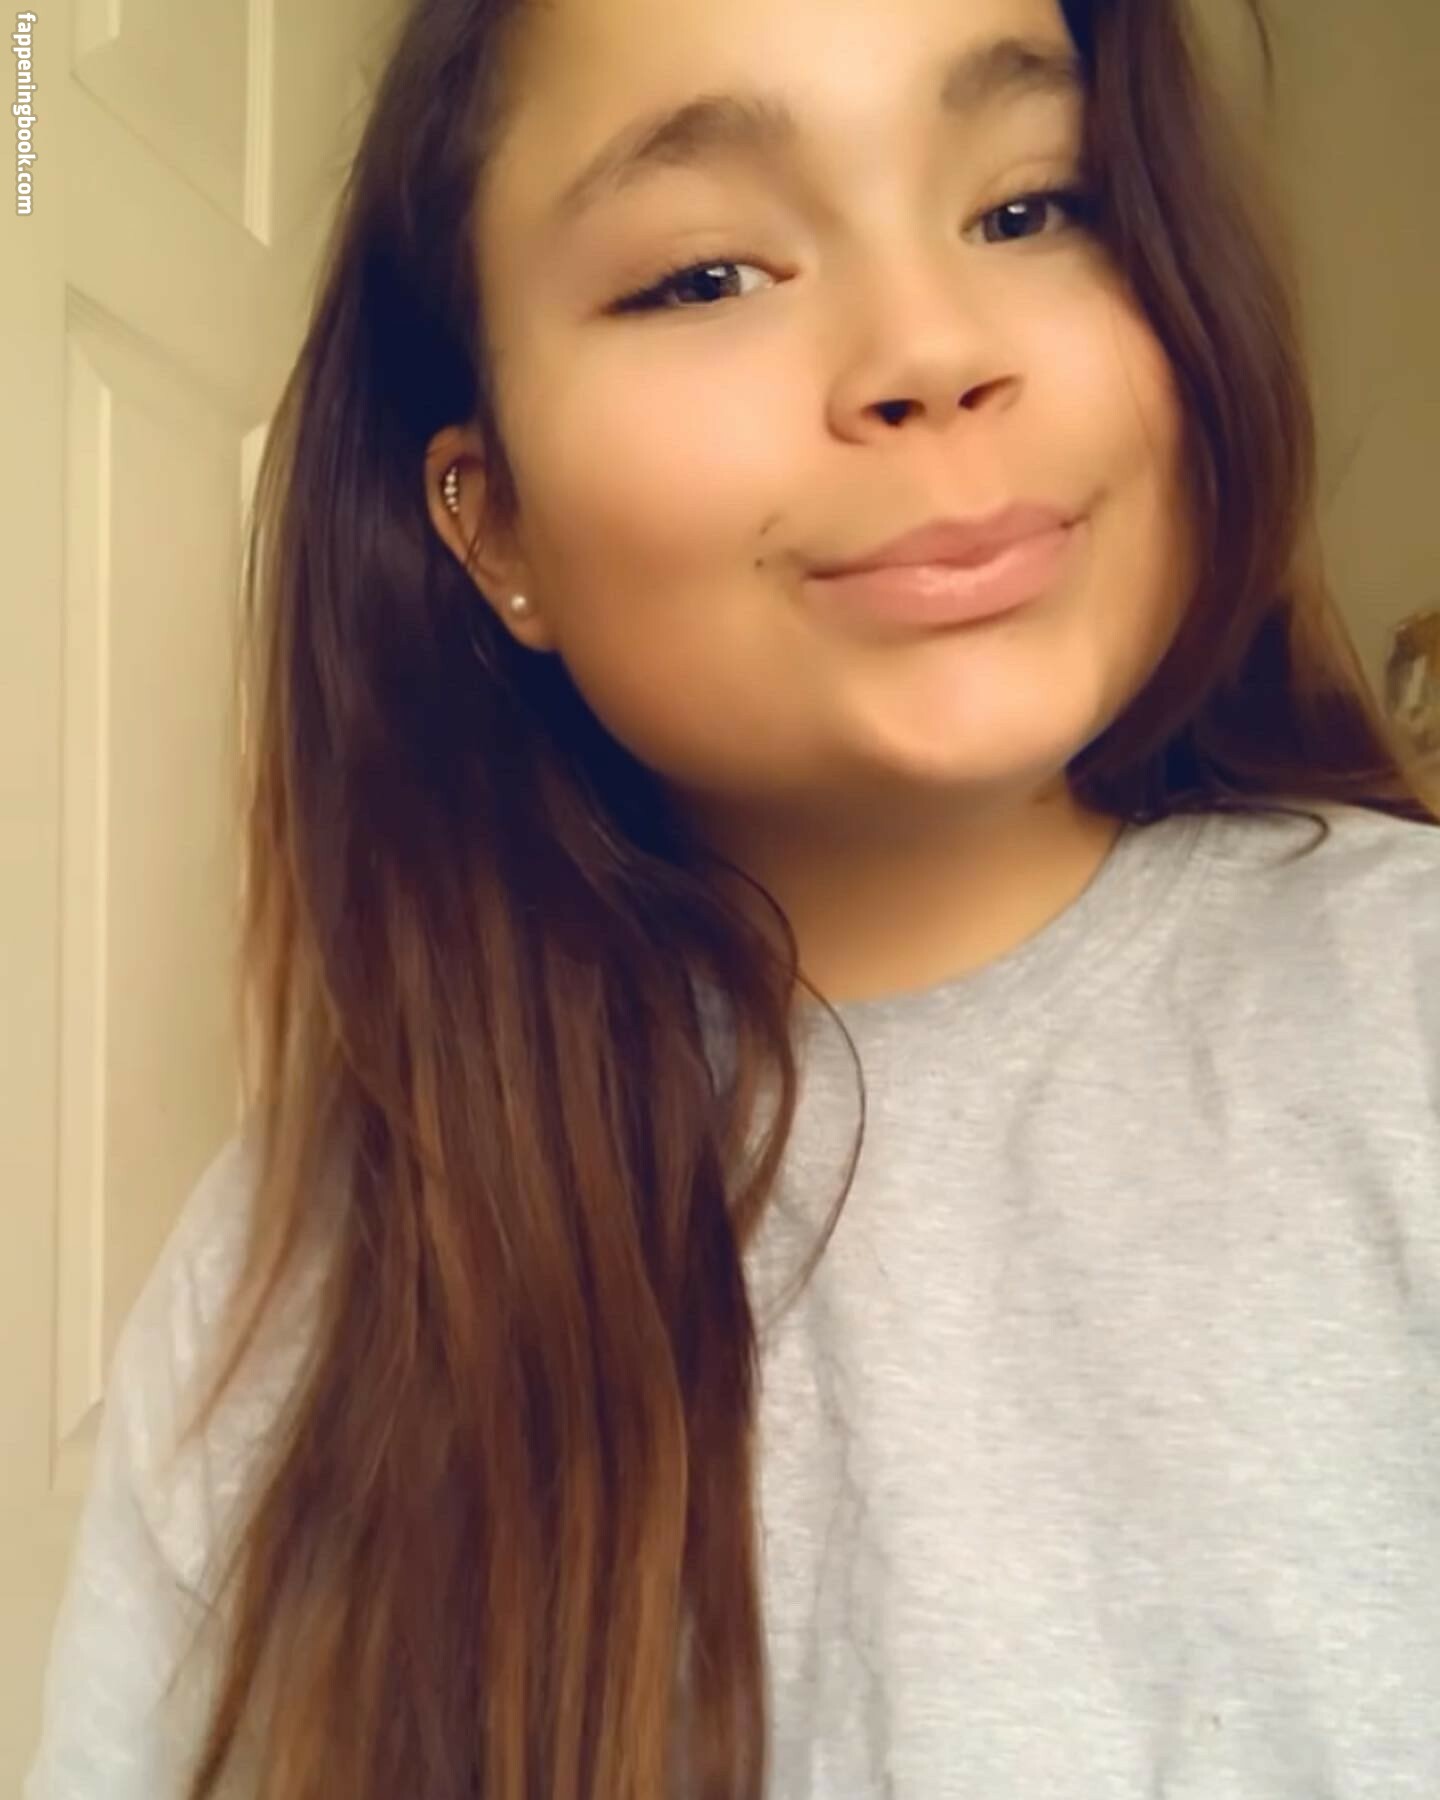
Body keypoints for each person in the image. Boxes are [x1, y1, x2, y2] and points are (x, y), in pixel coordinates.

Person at [25, 0, 1440, 1793]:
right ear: (492, 524)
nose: (933, 348)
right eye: (705, 276)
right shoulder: (306, 1262)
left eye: (1027, 208)